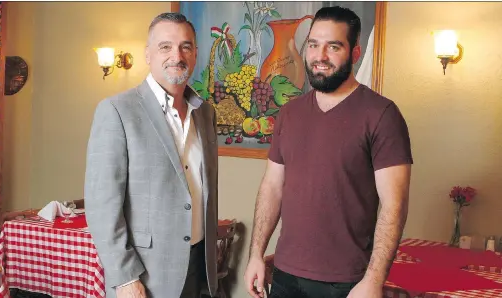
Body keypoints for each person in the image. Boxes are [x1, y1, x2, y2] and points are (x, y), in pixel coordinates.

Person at [244, 6, 413, 298]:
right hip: (285, 275)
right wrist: (256, 255)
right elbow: (272, 187)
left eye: (333, 47)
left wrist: (373, 281)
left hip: (347, 282)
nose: (320, 56)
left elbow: (393, 205)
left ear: (355, 54)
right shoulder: (290, 113)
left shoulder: (382, 114)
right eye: (313, 45)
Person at [84, 12, 218, 298]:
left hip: (198, 268)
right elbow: (101, 207)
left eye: (185, 46)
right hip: (145, 276)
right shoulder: (118, 111)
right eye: (165, 46)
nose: (176, 55)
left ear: (195, 54)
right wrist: (124, 278)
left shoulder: (205, 113)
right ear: (148, 54)